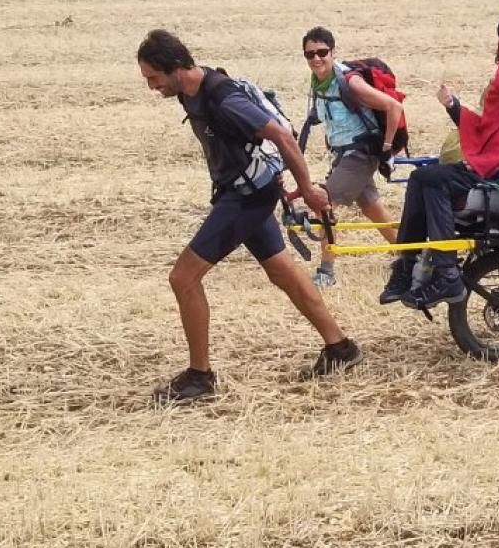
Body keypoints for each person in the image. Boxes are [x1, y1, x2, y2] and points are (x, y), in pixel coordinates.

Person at [137, 29, 361, 405]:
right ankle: (340, 347)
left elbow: (283, 137)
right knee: (282, 272)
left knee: (183, 278)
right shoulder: (190, 91)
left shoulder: (223, 98)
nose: (152, 87)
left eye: (154, 78)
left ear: (175, 67)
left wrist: (306, 188)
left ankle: (200, 377)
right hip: (241, 190)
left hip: (247, 196)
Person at [380, 12, 499, 309]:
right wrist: (454, 108)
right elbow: (492, 131)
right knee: (421, 178)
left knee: (434, 182)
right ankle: (407, 265)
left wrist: (490, 166)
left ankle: (446, 274)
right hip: (498, 167)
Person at [298, 26, 401, 288]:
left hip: (361, 152)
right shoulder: (318, 83)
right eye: (310, 54)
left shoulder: (349, 82)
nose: (316, 59)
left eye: (322, 52)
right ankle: (410, 254)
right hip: (344, 154)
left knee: (324, 203)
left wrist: (387, 149)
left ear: (333, 52)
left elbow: (393, 107)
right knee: (371, 207)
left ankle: (326, 272)